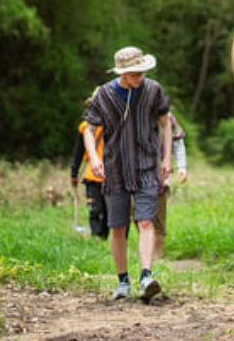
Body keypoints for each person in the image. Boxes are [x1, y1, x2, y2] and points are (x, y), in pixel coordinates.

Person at [83, 46, 172, 302]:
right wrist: (95, 157)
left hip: (146, 166)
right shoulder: (104, 94)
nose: (138, 77)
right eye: (133, 74)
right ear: (122, 73)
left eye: (141, 72)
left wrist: (166, 158)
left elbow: (165, 123)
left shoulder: (153, 90)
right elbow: (89, 129)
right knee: (118, 227)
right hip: (115, 168)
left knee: (145, 221)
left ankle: (146, 277)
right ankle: (123, 282)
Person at [70, 94, 108, 239]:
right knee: (95, 208)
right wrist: (74, 173)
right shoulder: (85, 127)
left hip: (111, 175)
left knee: (108, 210)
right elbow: (78, 152)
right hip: (91, 175)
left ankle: (104, 237)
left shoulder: (114, 125)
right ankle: (96, 237)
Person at [152, 111, 188, 257]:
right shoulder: (131, 111)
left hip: (160, 175)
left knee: (159, 217)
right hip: (135, 176)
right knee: (137, 215)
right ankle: (148, 251)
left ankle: (156, 256)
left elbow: (178, 143)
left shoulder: (168, 117)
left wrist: (182, 167)